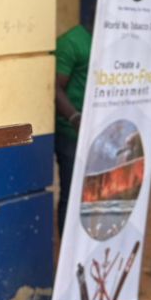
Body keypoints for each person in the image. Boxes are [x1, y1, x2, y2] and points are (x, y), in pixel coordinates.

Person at [54, 21, 92, 235]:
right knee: (72, 196)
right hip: (71, 136)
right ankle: (68, 251)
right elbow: (54, 87)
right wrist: (74, 117)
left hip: (103, 134)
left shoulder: (114, 41)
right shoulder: (72, 43)